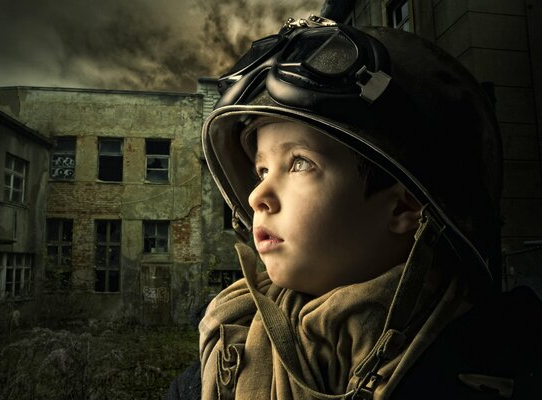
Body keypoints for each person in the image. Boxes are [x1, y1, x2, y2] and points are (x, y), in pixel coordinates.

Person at [168, 13, 542, 400]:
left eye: (299, 163)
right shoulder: (221, 365)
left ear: (403, 208)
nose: (256, 195)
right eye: (261, 169)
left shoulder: (508, 369)